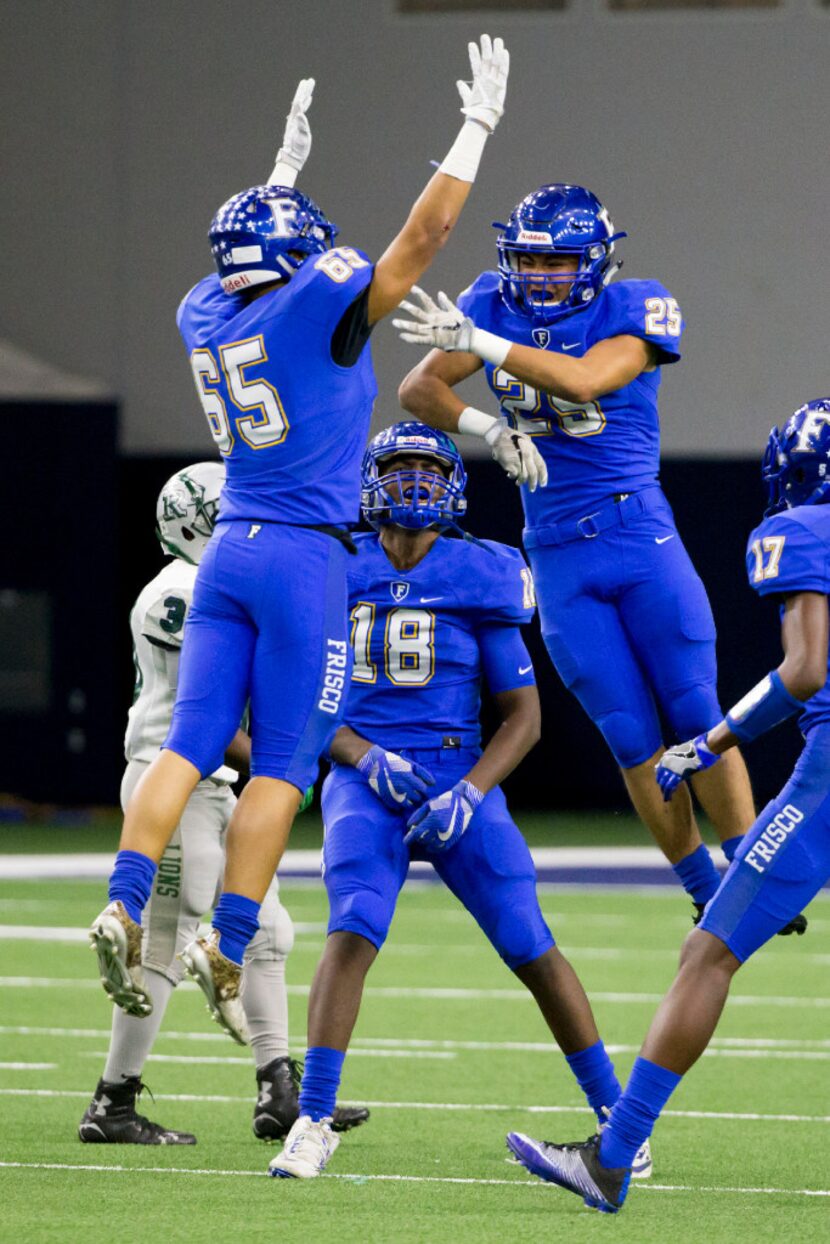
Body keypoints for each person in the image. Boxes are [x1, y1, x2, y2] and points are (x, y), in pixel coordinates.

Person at [88, 42, 530, 1046]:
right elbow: (420, 239)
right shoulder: (314, 298)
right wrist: (473, 131)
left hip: (229, 548)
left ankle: (120, 899)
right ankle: (229, 936)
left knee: (189, 742)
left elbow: (249, 266)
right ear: (301, 256)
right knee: (284, 762)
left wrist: (277, 179)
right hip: (303, 556)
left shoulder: (202, 310)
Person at [267, 421, 651, 1181]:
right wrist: (360, 755)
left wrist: (471, 794)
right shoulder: (331, 564)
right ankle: (312, 1120)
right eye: (400, 467)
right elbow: (297, 698)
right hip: (363, 779)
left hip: (456, 778)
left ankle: (621, 1127)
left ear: (453, 485)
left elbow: (525, 717)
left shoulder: (483, 571)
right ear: (371, 483)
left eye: (427, 468)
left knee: (529, 942)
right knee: (353, 925)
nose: (413, 481)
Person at [395, 184, 770, 923]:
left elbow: (586, 378)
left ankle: (753, 874)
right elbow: (417, 387)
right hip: (558, 552)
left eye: (558, 262)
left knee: (696, 711)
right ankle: (704, 890)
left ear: (595, 262)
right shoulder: (492, 304)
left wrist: (481, 344)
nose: (539, 277)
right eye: (529, 260)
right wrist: (488, 428)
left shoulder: (633, 306)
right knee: (629, 734)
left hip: (638, 537)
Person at [505, 399, 830, 1213]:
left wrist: (715, 740)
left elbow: (805, 670)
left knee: (708, 951)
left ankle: (612, 1159)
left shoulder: (804, 531)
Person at [80, 463, 368, 1144]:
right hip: (175, 783)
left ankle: (278, 1090)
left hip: (206, 787)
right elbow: (206, 724)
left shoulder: (207, 582)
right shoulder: (181, 590)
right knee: (167, 941)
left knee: (266, 934)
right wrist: (287, 762)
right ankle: (113, 1102)